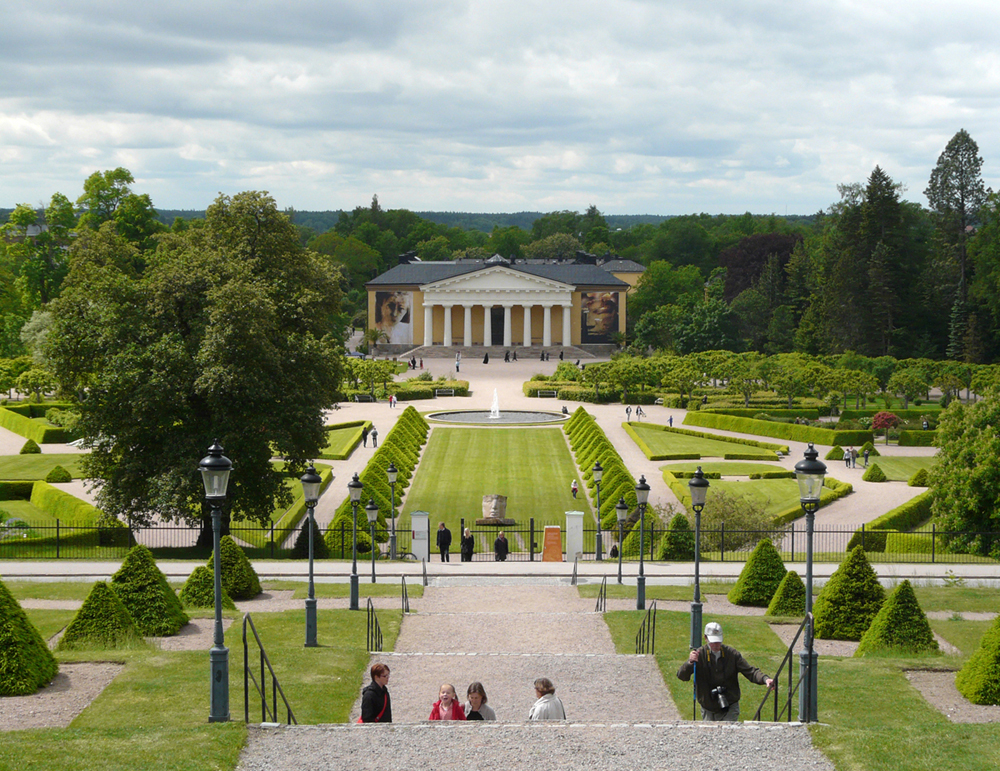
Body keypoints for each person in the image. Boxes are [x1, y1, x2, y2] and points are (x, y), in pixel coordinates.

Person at [677, 622, 774, 722]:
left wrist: (765, 679)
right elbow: (681, 676)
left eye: (718, 641)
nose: (716, 645)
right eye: (713, 641)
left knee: (728, 730)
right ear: (706, 638)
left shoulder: (732, 654)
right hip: (708, 708)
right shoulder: (699, 655)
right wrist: (690, 663)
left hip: (730, 706)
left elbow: (750, 672)